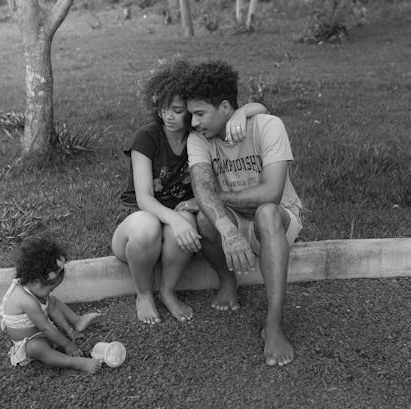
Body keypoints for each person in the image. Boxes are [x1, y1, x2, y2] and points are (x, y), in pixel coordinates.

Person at [112, 60, 268, 325]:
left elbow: (258, 109)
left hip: (179, 220)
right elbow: (143, 198)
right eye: (163, 109)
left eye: (177, 110)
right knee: (151, 225)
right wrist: (172, 218)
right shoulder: (146, 138)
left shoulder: (200, 136)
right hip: (138, 224)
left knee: (187, 220)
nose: (168, 116)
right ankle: (143, 293)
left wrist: (241, 113)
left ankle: (168, 291)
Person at [184, 61, 303, 366]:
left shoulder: (267, 125)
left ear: (225, 107)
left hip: (277, 219)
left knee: (265, 212)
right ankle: (228, 280)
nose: (194, 122)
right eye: (191, 114)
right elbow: (200, 185)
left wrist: (215, 197)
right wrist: (227, 231)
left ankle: (274, 326)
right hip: (236, 218)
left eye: (200, 113)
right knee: (203, 220)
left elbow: (271, 194)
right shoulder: (198, 139)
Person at [0, 235, 104, 373]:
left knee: (52, 302)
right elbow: (46, 328)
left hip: (42, 328)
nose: (50, 292)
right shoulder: (27, 301)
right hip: (31, 339)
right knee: (37, 349)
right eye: (50, 288)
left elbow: (48, 312)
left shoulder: (32, 286)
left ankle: (76, 323)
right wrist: (67, 345)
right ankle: (75, 362)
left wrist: (68, 332)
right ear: (36, 280)